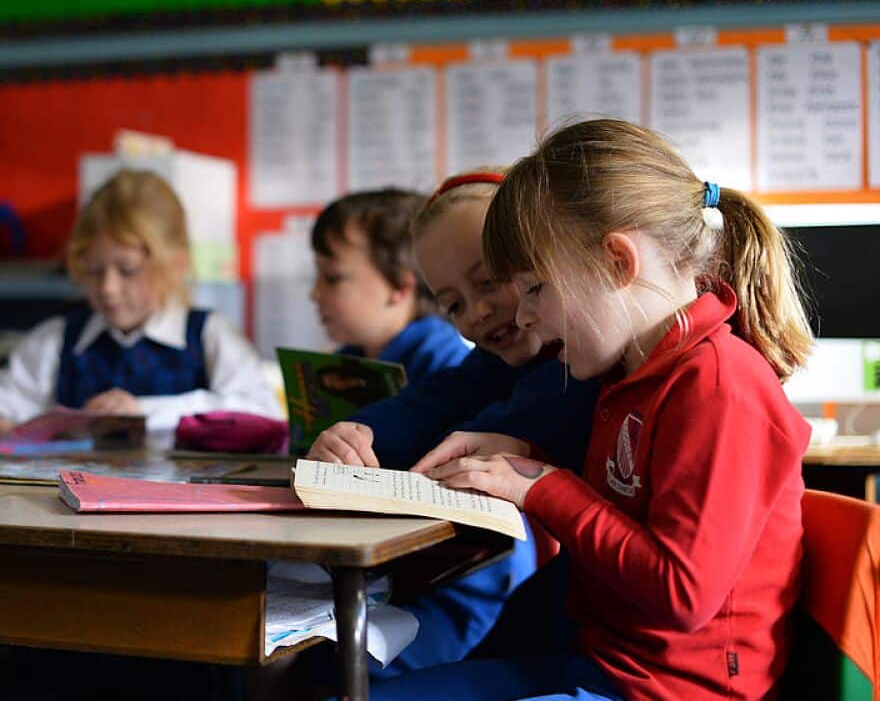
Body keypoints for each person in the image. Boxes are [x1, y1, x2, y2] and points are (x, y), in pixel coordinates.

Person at [379, 119, 812, 700]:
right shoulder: (631, 373)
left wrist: (544, 485)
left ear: (616, 262)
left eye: (536, 289)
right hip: (598, 666)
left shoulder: (718, 383)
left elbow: (683, 594)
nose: (526, 318)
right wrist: (522, 459)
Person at [307, 169, 599, 677]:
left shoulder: (578, 368)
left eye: (489, 281)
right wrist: (357, 433)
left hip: (574, 626)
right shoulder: (495, 362)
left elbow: (474, 434)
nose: (479, 312)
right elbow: (425, 404)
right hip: (550, 608)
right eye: (455, 305)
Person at [0, 169, 278, 441]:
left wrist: (144, 411)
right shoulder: (62, 338)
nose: (108, 288)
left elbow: (264, 414)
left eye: (128, 270)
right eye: (94, 270)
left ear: (176, 264)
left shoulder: (208, 335)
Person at [311, 189, 469, 381]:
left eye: (333, 277)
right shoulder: (346, 359)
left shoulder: (448, 365)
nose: (314, 294)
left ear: (399, 286)